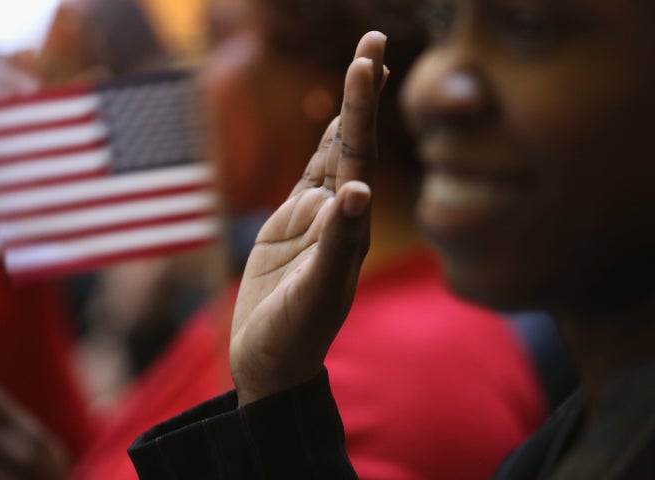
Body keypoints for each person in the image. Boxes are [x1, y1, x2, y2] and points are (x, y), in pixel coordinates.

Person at [128, 1, 655, 479]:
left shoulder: (412, 367)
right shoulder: (579, 435)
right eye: (441, 24)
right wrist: (277, 402)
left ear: (324, 79)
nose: (428, 84)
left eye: (527, 24)